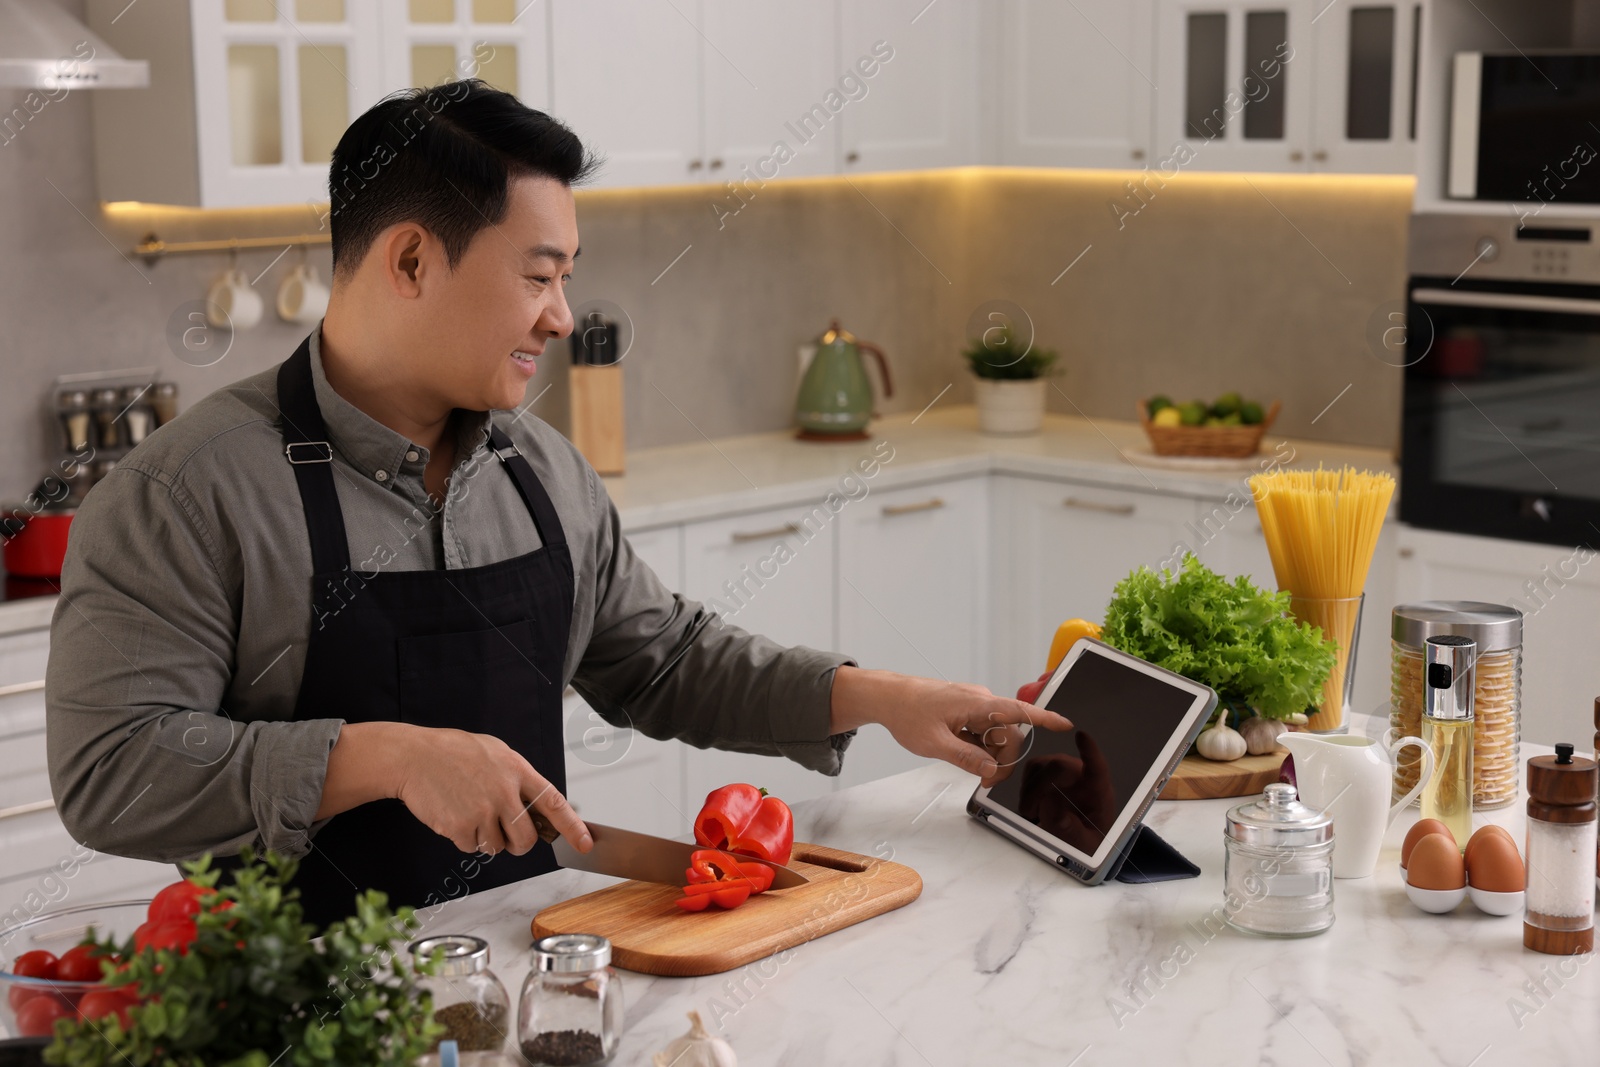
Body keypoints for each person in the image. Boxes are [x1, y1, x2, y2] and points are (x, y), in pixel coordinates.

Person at [46, 80, 1069, 926]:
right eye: (539, 274)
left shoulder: (540, 469)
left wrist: (880, 696)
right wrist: (386, 754)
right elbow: (112, 768)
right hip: (309, 1008)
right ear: (409, 259)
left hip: (525, 969)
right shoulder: (186, 490)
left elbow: (662, 657)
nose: (562, 315)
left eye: (567, 276)